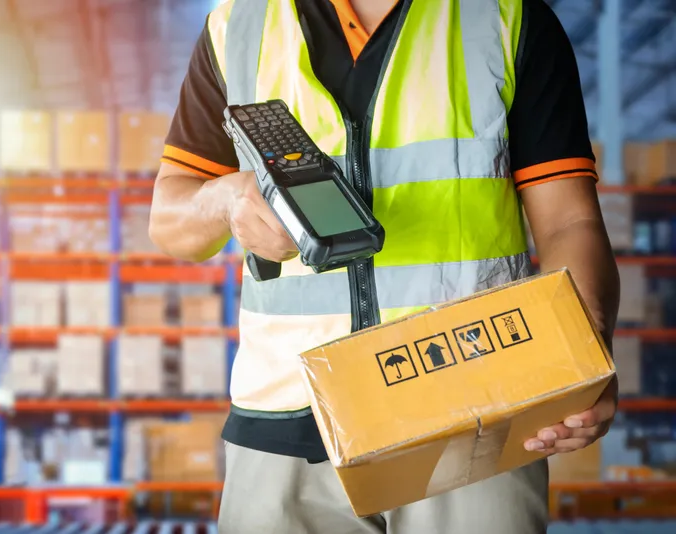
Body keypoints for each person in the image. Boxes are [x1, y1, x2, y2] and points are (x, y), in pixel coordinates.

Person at [149, 0, 620, 532]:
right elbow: (169, 221)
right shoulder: (239, 24)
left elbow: (569, 225)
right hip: (284, 429)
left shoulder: (506, 18)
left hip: (473, 410)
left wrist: (583, 359)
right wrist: (227, 199)